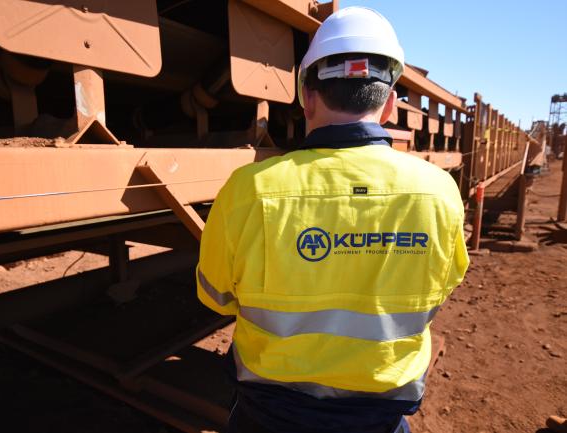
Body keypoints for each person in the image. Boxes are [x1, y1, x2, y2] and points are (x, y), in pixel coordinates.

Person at [196, 6, 469, 433]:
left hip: (269, 415)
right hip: (378, 418)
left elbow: (215, 297)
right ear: (389, 106)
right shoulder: (438, 192)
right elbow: (440, 290)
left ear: (306, 96)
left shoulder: (247, 190)